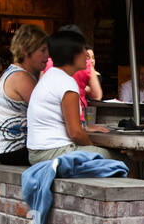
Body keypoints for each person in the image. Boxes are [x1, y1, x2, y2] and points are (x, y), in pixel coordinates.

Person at [27, 27, 110, 164]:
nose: (86, 55)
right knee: (121, 160)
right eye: (83, 50)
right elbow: (75, 133)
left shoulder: (51, 75)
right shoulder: (67, 83)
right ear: (72, 54)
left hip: (38, 153)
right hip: (53, 153)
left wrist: (85, 129)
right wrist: (91, 147)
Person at [0, 24, 50, 165]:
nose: (47, 56)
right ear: (27, 50)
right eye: (42, 50)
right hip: (13, 148)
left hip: (4, 149)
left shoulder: (15, 72)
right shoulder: (22, 78)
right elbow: (47, 113)